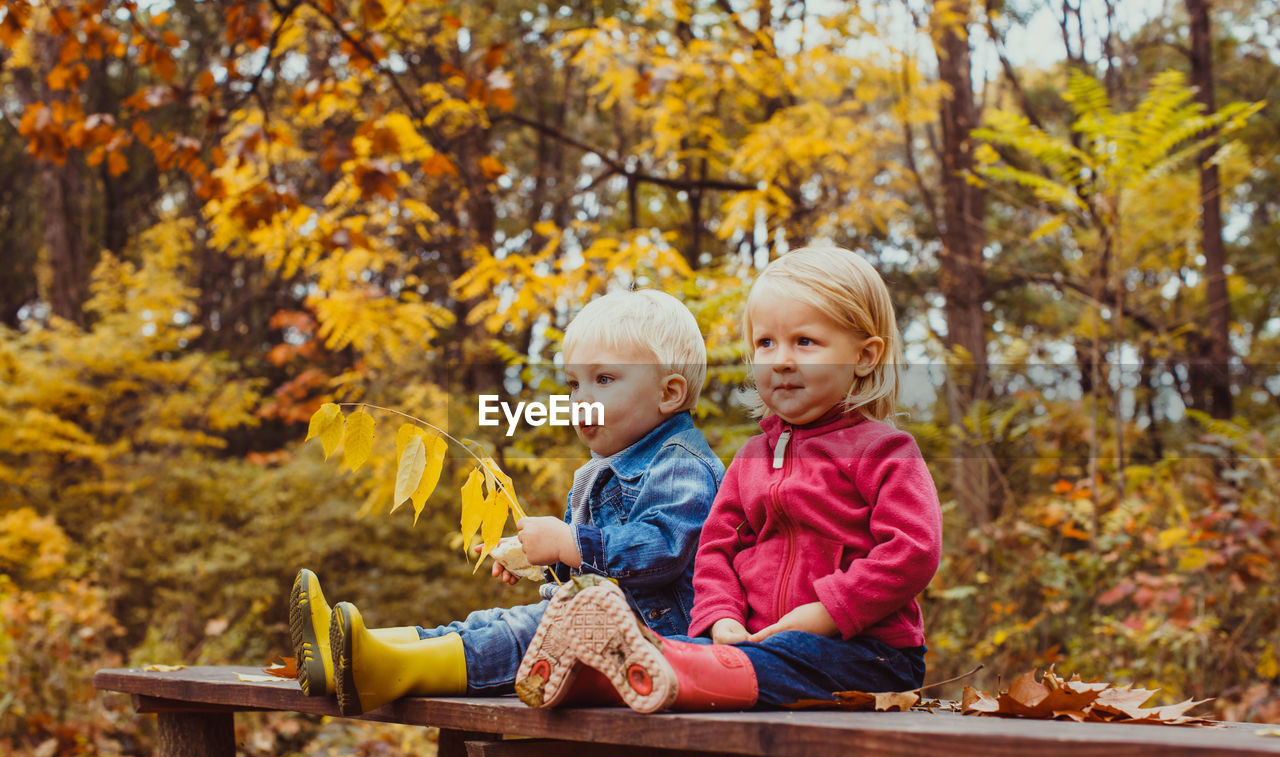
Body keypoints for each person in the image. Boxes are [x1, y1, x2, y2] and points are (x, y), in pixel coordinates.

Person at [515, 246, 942, 713]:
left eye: (804, 342)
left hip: (868, 652)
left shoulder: (883, 451)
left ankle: (629, 671)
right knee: (708, 650)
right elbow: (715, 553)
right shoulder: (751, 458)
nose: (780, 360)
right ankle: (606, 673)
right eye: (765, 343)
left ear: (864, 356)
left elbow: (912, 550)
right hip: (751, 644)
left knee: (780, 657)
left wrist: (826, 612)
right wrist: (720, 618)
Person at [290, 288, 725, 716]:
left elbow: (660, 550)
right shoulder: (596, 470)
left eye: (604, 379)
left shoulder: (681, 464)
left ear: (668, 393)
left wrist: (566, 541)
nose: (580, 400)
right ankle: (353, 649)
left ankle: (388, 669)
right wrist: (538, 560)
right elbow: (588, 566)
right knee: (487, 622)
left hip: (652, 642)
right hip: (593, 623)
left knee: (523, 634)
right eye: (574, 384)